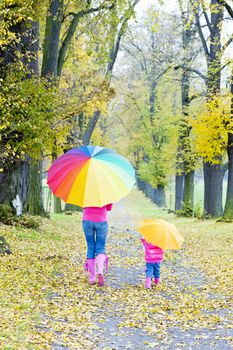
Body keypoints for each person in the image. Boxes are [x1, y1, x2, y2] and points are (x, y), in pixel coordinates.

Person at [83, 203, 112, 286]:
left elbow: (83, 205)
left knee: (90, 246)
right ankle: (100, 271)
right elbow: (109, 208)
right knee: (101, 246)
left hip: (87, 220)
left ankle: (92, 277)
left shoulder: (85, 191)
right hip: (101, 220)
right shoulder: (106, 192)